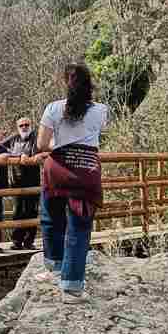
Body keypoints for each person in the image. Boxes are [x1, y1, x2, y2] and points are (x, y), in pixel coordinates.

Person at [22, 64, 109, 302]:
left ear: (65, 83)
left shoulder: (53, 108)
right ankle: (71, 288)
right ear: (89, 84)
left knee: (51, 218)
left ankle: (54, 268)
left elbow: (41, 144)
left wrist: (61, 146)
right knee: (79, 227)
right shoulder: (101, 110)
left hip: (57, 168)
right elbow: (96, 134)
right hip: (86, 171)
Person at [0, 116, 40, 250]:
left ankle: (29, 241)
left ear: (31, 125)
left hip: (32, 180)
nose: (24, 127)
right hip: (17, 181)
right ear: (18, 127)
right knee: (18, 211)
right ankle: (16, 241)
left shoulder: (36, 137)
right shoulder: (14, 138)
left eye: (26, 125)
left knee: (31, 210)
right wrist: (17, 155)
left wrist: (26, 156)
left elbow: (37, 152)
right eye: (21, 125)